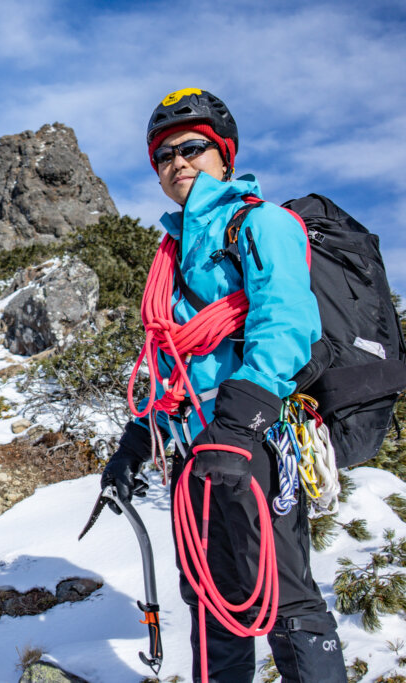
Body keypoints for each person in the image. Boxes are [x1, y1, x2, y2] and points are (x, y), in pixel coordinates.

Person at [100, 88, 349, 681]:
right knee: (210, 601)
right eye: (164, 156)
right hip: (194, 449)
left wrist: (240, 422)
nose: (178, 162)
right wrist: (135, 446)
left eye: (193, 148)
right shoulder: (173, 253)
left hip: (256, 439)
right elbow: (172, 364)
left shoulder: (260, 223)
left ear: (224, 157)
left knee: (285, 600)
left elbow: (285, 322)